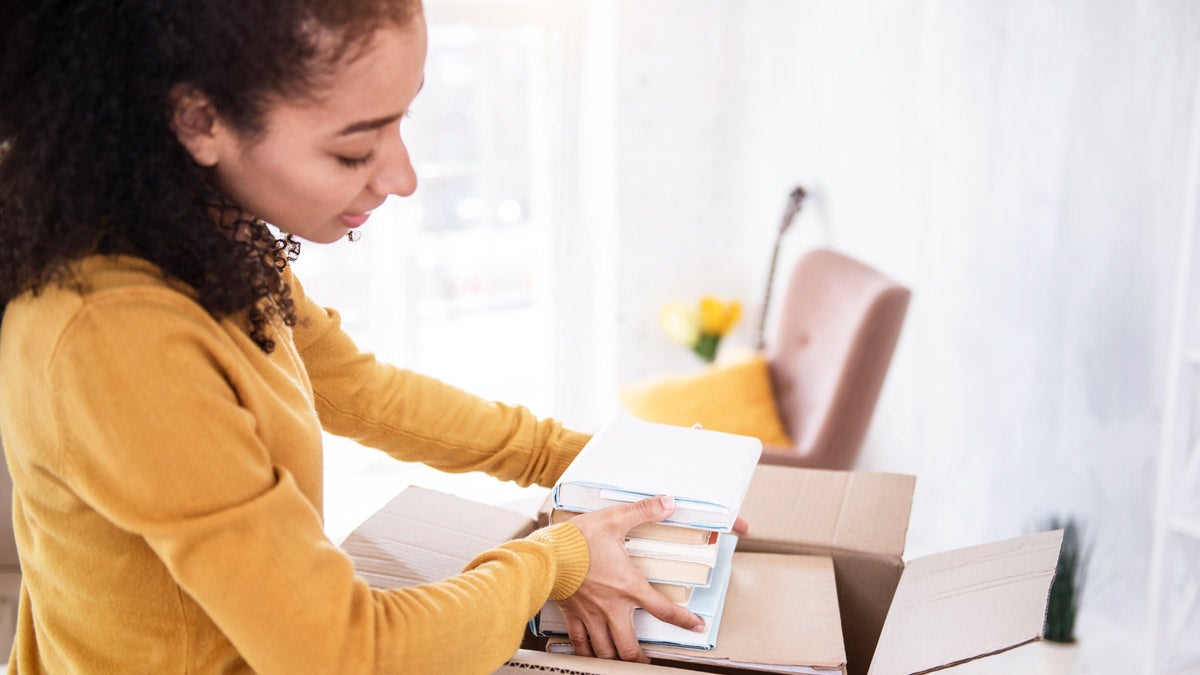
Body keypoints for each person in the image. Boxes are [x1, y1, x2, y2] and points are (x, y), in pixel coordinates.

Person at [0, 1, 743, 672]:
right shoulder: (117, 338)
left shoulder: (204, 235)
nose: (404, 176)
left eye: (401, 121)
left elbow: (357, 388)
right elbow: (346, 653)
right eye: (354, 149)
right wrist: (555, 559)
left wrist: (581, 461)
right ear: (199, 122)